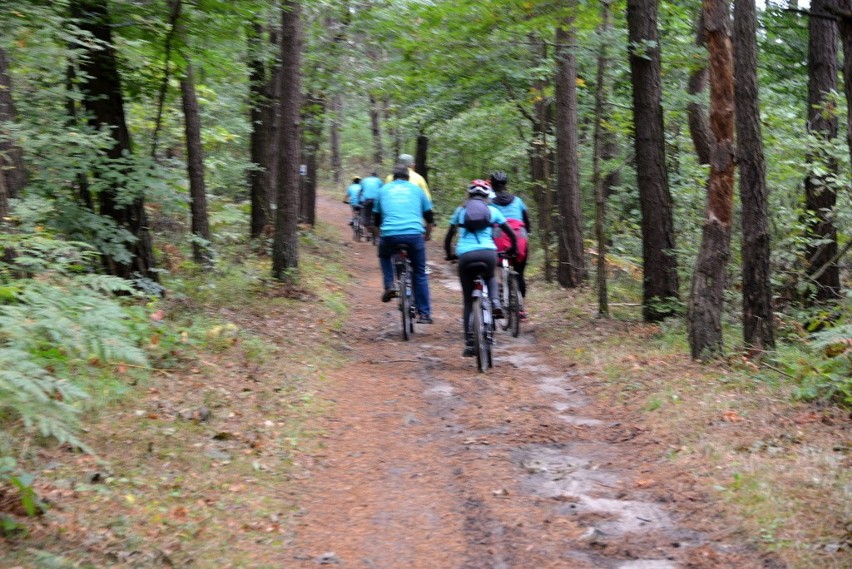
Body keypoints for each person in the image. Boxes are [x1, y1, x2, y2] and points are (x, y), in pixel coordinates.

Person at [444, 179, 518, 357]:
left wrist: (449, 254)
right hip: (488, 254)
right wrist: (512, 249)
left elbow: (448, 237)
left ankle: (470, 343)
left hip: (466, 256)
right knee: (491, 277)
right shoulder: (493, 211)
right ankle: (495, 302)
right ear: (487, 196)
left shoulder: (460, 211)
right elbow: (510, 234)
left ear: (469, 195)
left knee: (468, 301)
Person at [373, 163, 435, 324]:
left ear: (393, 177)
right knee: (420, 272)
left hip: (390, 235)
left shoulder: (383, 190)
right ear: (408, 177)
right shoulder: (417, 190)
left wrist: (380, 237)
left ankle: (389, 284)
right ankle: (424, 314)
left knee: (384, 254)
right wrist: (427, 234)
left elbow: (376, 220)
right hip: (414, 235)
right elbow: (429, 216)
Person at [489, 171, 531, 318]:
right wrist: (527, 233)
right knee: (520, 274)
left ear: (492, 186)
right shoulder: (518, 201)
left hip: (499, 237)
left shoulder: (491, 203)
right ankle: (521, 309)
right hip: (519, 236)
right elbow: (527, 222)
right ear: (506, 185)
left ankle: (499, 298)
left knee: (497, 268)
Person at [358, 172, 383, 236]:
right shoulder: (379, 180)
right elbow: (382, 191)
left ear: (370, 176)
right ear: (376, 176)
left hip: (367, 200)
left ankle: (367, 232)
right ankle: (377, 229)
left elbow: (360, 191)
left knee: (366, 215)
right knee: (378, 214)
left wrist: (359, 199)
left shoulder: (365, 180)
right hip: (376, 200)